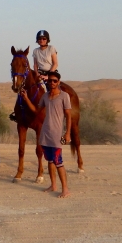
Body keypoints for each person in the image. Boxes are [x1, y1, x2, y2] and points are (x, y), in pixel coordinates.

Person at [19, 70, 72, 198]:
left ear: (58, 82)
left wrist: (68, 133)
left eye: (55, 81)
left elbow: (69, 116)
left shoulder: (64, 96)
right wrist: (26, 99)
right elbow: (36, 110)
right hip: (45, 132)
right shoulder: (45, 96)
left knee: (58, 161)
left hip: (57, 133)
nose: (52, 83)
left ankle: (65, 189)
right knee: (49, 160)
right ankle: (53, 185)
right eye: (50, 81)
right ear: (47, 82)